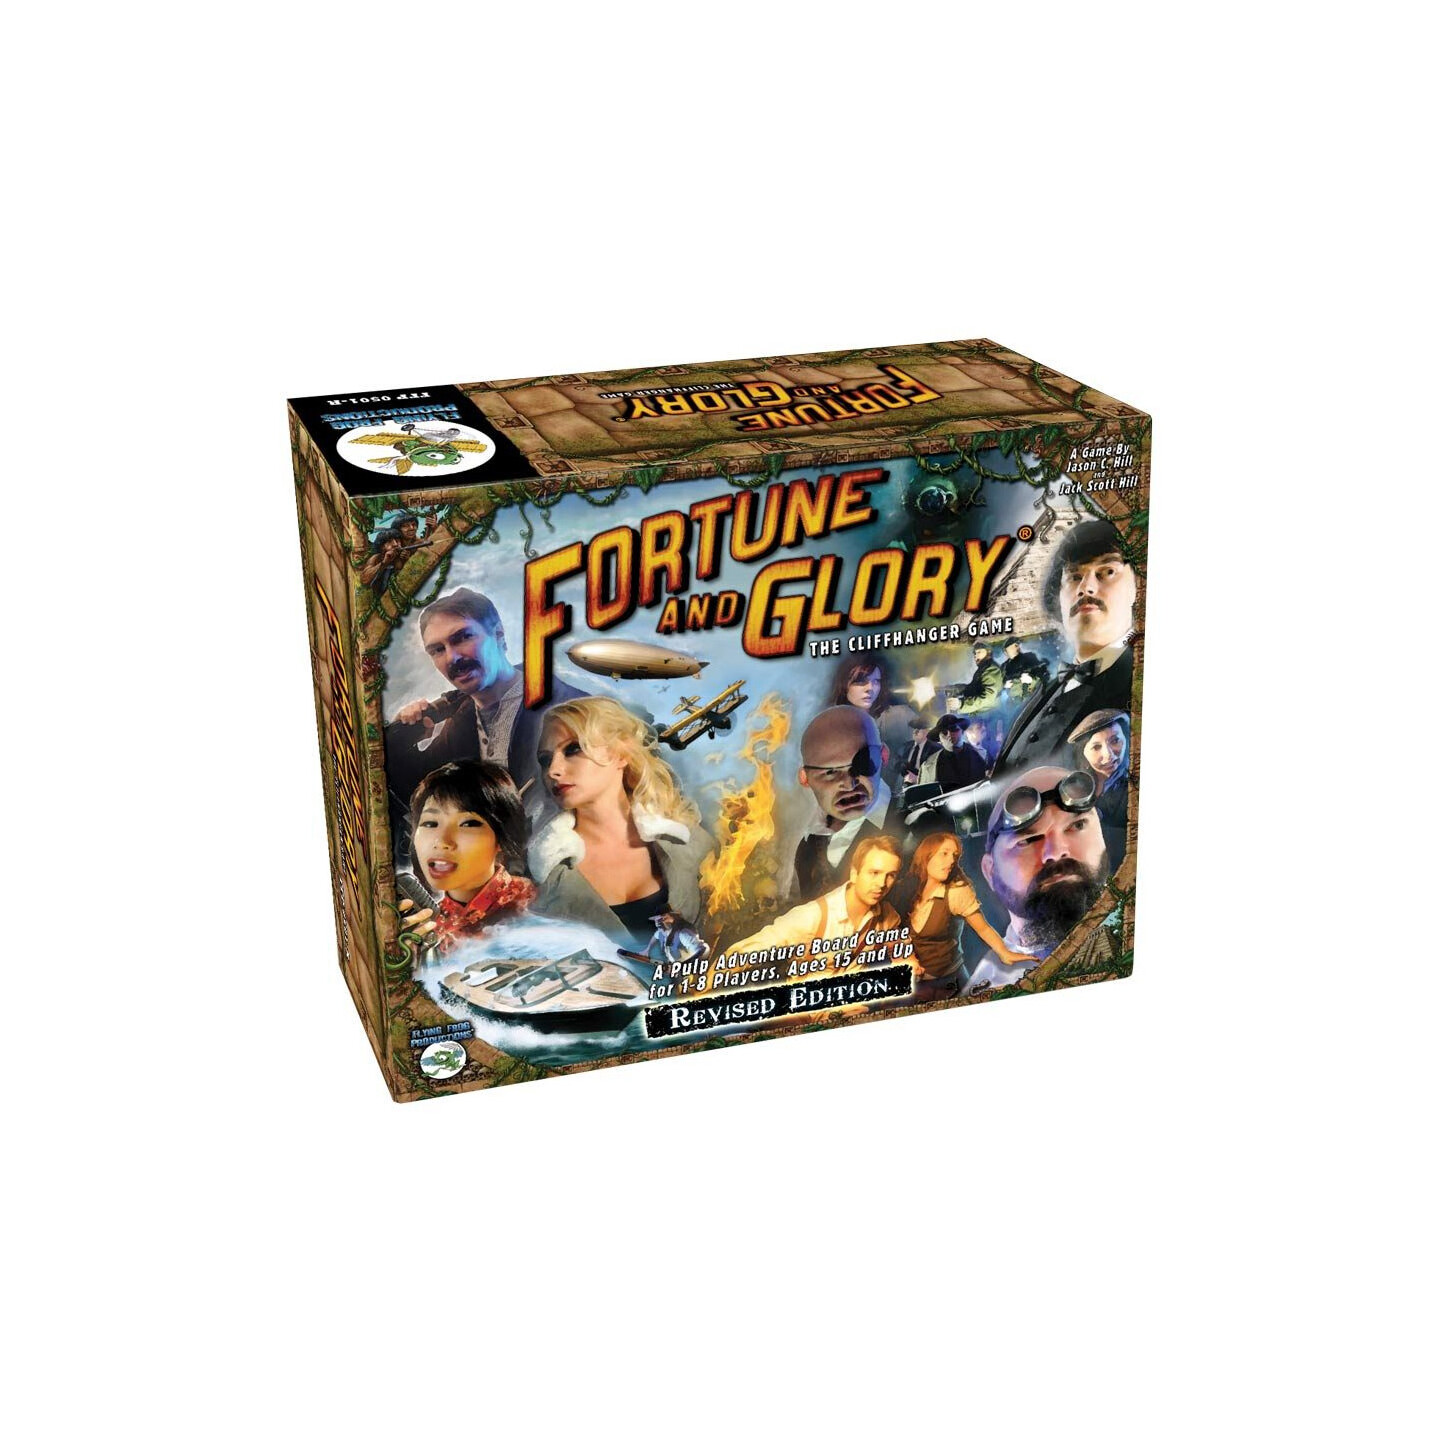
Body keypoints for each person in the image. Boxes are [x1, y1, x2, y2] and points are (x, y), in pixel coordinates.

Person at [383, 587, 587, 844]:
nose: (452, 657)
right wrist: (403, 733)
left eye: (463, 637)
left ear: (498, 635)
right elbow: (406, 784)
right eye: (437, 649)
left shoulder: (569, 709)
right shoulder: (461, 722)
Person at [527, 697, 715, 947]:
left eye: (573, 749)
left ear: (620, 753)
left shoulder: (691, 842)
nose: (553, 770)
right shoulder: (537, 874)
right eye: (545, 759)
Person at [991, 520, 1137, 776]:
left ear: (1137, 586)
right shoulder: (1047, 688)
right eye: (1074, 576)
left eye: (1107, 571)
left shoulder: (1137, 685)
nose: (1086, 588)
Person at [967, 765, 1110, 995]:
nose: (1056, 851)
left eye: (1077, 825)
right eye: (1028, 840)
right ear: (990, 871)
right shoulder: (988, 992)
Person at [398, 759, 537, 955]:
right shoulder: (428, 926)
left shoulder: (534, 904)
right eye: (430, 823)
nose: (442, 841)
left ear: (501, 837)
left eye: (468, 824)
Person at [892, 833, 1034, 1002]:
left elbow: (983, 928)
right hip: (915, 985)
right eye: (944, 853)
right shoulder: (908, 890)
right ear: (926, 855)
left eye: (954, 855)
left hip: (949, 983)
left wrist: (1004, 952)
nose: (951, 860)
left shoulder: (956, 892)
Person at [730, 835, 904, 970]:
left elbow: (899, 948)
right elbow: (742, 954)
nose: (882, 884)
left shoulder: (887, 916)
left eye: (891, 875)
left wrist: (909, 963)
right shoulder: (812, 917)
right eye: (874, 873)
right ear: (854, 873)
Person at [789, 706, 900, 902]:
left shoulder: (914, 825)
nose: (849, 784)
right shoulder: (807, 846)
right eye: (830, 772)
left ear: (883, 756)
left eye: (862, 764)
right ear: (805, 778)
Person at [828, 656, 918, 786]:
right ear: (844, 685)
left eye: (876, 681)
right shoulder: (831, 727)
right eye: (861, 681)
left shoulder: (901, 716)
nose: (870, 688)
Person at [1068, 708, 1131, 859]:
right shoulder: (1074, 789)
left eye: (1115, 741)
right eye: (1096, 747)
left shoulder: (1133, 784)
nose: (1109, 755)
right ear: (1083, 753)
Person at [919, 715, 986, 789]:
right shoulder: (928, 765)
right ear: (939, 739)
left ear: (962, 732)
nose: (949, 734)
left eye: (954, 729)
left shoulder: (982, 756)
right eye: (944, 732)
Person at [945, 642, 1004, 718]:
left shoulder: (992, 669)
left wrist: (961, 704)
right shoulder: (984, 668)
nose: (975, 655)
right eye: (975, 653)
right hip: (978, 710)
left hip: (985, 714)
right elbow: (974, 688)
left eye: (979, 652)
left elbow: (987, 698)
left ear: (988, 652)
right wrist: (956, 689)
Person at [1000, 638, 1049, 712]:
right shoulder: (1004, 667)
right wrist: (1004, 685)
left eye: (1017, 645)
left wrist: (1031, 679)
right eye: (1014, 646)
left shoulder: (1029, 657)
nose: (1017, 647)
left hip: (1033, 694)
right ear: (1006, 651)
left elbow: (1043, 674)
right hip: (1016, 701)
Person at [900, 716, 938, 791]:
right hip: (906, 787)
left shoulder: (935, 749)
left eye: (919, 729)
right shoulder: (906, 746)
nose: (915, 732)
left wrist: (918, 779)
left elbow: (936, 775)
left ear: (927, 731)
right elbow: (899, 764)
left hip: (925, 788)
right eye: (914, 728)